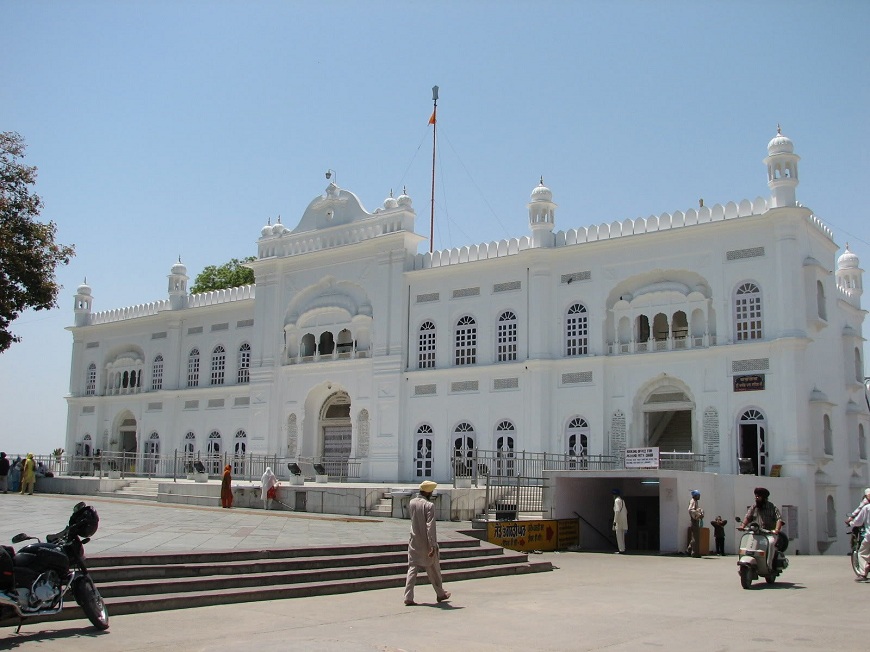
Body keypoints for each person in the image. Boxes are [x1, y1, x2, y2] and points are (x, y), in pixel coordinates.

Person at [403, 480, 450, 606]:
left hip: (414, 540)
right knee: (433, 569)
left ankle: (408, 596)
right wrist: (433, 545)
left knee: (412, 568)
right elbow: (430, 526)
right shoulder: (429, 506)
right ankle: (440, 593)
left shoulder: (412, 502)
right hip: (426, 543)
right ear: (428, 492)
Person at [738, 487, 786, 566]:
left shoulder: (772, 507)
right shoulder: (754, 507)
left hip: (769, 534)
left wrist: (776, 530)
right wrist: (742, 526)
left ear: (764, 498)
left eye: (758, 496)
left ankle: (769, 565)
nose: (756, 498)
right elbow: (748, 517)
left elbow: (779, 519)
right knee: (748, 544)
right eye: (756, 496)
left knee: (771, 544)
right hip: (757, 533)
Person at [849, 500, 870, 581]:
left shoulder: (867, 507)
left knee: (862, 553)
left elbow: (858, 521)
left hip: (869, 536)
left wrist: (851, 523)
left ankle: (863, 574)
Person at [687, 490, 704, 557]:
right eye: (698, 495)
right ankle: (694, 553)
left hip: (695, 520)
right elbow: (690, 510)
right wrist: (698, 514)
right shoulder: (693, 501)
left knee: (695, 536)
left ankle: (688, 550)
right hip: (694, 520)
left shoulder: (695, 501)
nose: (699, 496)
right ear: (695, 496)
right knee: (695, 537)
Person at [612, 488, 627, 554]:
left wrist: (615, 521)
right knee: (622, 536)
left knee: (619, 535)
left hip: (619, 520)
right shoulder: (622, 501)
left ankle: (621, 549)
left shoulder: (617, 501)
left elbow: (617, 511)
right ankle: (623, 548)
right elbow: (626, 511)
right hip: (624, 520)